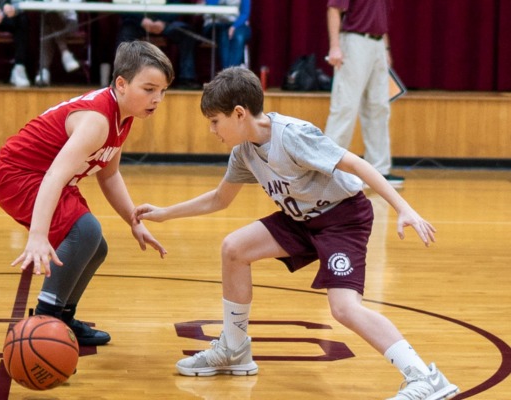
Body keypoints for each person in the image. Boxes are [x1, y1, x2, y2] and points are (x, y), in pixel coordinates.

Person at [132, 67, 460, 400]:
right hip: (301, 219)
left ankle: (425, 377)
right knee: (234, 248)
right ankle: (234, 349)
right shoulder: (244, 152)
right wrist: (165, 213)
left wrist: (404, 208)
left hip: (342, 219)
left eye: (215, 121)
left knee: (344, 308)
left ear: (240, 114)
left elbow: (358, 165)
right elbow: (220, 199)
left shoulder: (293, 135)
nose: (212, 129)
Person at [0, 41, 173, 346]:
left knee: (95, 246)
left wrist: (134, 220)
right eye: (150, 89)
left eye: (163, 91)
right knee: (86, 230)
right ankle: (44, 322)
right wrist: (38, 235)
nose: (157, 99)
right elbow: (54, 175)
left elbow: (110, 174)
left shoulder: (123, 114)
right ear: (122, 84)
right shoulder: (97, 119)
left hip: (44, 177)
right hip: (18, 175)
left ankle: (63, 317)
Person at [324, 0, 404, 188]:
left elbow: (380, 20)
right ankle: (328, 167)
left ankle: (380, 170)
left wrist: (385, 48)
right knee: (345, 106)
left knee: (379, 107)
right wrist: (335, 46)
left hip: (377, 43)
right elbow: (334, 9)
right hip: (354, 41)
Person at [116, 0, 201, 90]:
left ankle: (187, 78)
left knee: (186, 34)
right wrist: (141, 20)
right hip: (135, 22)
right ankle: (124, 76)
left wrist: (162, 22)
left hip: (165, 22)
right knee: (125, 37)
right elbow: (120, 4)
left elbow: (176, 4)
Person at [34, 0, 82, 86]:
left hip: (70, 22)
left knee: (48, 25)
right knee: (51, 14)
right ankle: (65, 52)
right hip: (50, 18)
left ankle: (44, 70)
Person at [202, 0, 251, 69]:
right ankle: (228, 72)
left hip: (239, 25)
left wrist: (234, 27)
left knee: (239, 36)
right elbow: (210, 5)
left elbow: (245, 14)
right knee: (223, 37)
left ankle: (233, 72)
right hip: (219, 24)